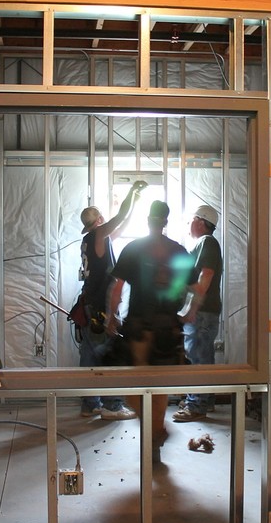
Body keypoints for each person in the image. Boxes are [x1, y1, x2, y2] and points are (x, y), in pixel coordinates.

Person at [105, 200, 194, 460]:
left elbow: (118, 287)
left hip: (140, 326)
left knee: (135, 384)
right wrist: (189, 312)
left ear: (148, 220)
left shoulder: (134, 248)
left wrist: (112, 317)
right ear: (165, 221)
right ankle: (155, 436)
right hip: (168, 328)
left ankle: (153, 431)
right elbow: (195, 287)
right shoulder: (178, 250)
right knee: (160, 386)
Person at [77, 180, 148, 420]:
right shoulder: (98, 234)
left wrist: (134, 203)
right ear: (99, 221)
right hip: (99, 306)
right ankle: (112, 405)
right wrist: (131, 192)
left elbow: (121, 223)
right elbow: (119, 217)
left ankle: (90, 405)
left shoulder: (92, 240)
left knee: (89, 357)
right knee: (110, 353)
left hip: (89, 304)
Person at [173, 204, 223, 422]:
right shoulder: (203, 244)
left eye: (192, 219)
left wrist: (192, 308)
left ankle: (196, 405)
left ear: (201, 222)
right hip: (203, 311)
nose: (189, 223)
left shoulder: (207, 242)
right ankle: (205, 400)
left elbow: (206, 274)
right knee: (203, 356)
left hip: (202, 312)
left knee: (198, 358)